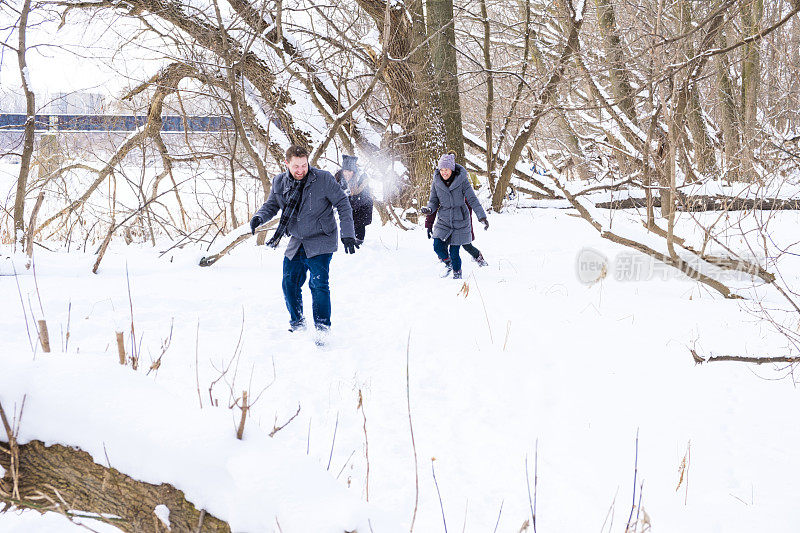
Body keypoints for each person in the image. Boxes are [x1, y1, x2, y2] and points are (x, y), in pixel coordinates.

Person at [250, 145, 359, 340]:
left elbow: (342, 203)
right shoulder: (279, 182)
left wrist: (348, 233)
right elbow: (271, 205)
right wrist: (259, 217)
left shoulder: (323, 179)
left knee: (318, 284)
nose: (300, 170)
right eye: (296, 166)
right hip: (297, 240)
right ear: (287, 164)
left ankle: (322, 329)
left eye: (304, 165)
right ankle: (297, 323)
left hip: (322, 238)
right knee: (289, 283)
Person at [420, 153, 488, 279]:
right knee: (437, 246)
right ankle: (448, 263)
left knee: (456, 251)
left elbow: (472, 199)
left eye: (446, 170)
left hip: (460, 219)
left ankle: (457, 276)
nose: (444, 173)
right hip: (444, 218)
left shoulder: (462, 180)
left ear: (451, 169)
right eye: (441, 170)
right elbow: (433, 201)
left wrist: (482, 217)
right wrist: (429, 212)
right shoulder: (436, 181)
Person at [424, 199, 488, 267]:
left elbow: (474, 205)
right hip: (445, 225)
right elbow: (433, 205)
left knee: (466, 245)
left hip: (462, 225)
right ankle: (448, 262)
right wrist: (429, 225)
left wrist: (482, 218)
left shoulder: (464, 193)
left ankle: (478, 258)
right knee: (442, 243)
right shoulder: (442, 191)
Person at [334, 154, 373, 244]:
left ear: (354, 171)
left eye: (350, 171)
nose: (347, 174)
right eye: (345, 171)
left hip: (362, 205)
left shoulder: (361, 178)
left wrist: (351, 202)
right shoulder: (338, 177)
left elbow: (365, 197)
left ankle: (359, 241)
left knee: (358, 222)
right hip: (348, 205)